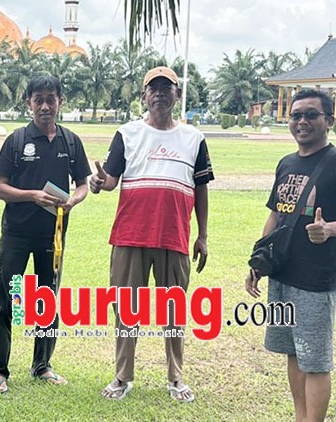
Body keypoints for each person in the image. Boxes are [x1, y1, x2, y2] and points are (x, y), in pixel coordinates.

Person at [90, 66, 214, 402]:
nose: (159, 93)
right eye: (153, 88)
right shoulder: (127, 134)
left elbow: (201, 188)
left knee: (173, 311)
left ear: (177, 94)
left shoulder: (194, 138)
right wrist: (98, 182)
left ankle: (176, 377)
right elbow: (110, 180)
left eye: (166, 88)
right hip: (131, 235)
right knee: (126, 309)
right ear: (144, 95)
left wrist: (202, 235)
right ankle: (122, 376)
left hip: (174, 235)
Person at [245, 89, 336, 422]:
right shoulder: (286, 163)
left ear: (329, 121)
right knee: (294, 352)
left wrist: (329, 229)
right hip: (282, 274)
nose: (302, 121)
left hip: (315, 279)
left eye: (311, 114)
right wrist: (259, 260)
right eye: (296, 115)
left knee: (315, 360)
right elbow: (275, 214)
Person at [0, 75, 91, 393]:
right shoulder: (17, 140)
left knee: (47, 299)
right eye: (38, 100)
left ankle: (42, 365)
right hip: (16, 235)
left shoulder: (71, 142)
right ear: (28, 103)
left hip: (53, 236)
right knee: (7, 299)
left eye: (51, 99)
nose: (45, 106)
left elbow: (83, 184)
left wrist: (74, 200)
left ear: (60, 101)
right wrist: (31, 195)